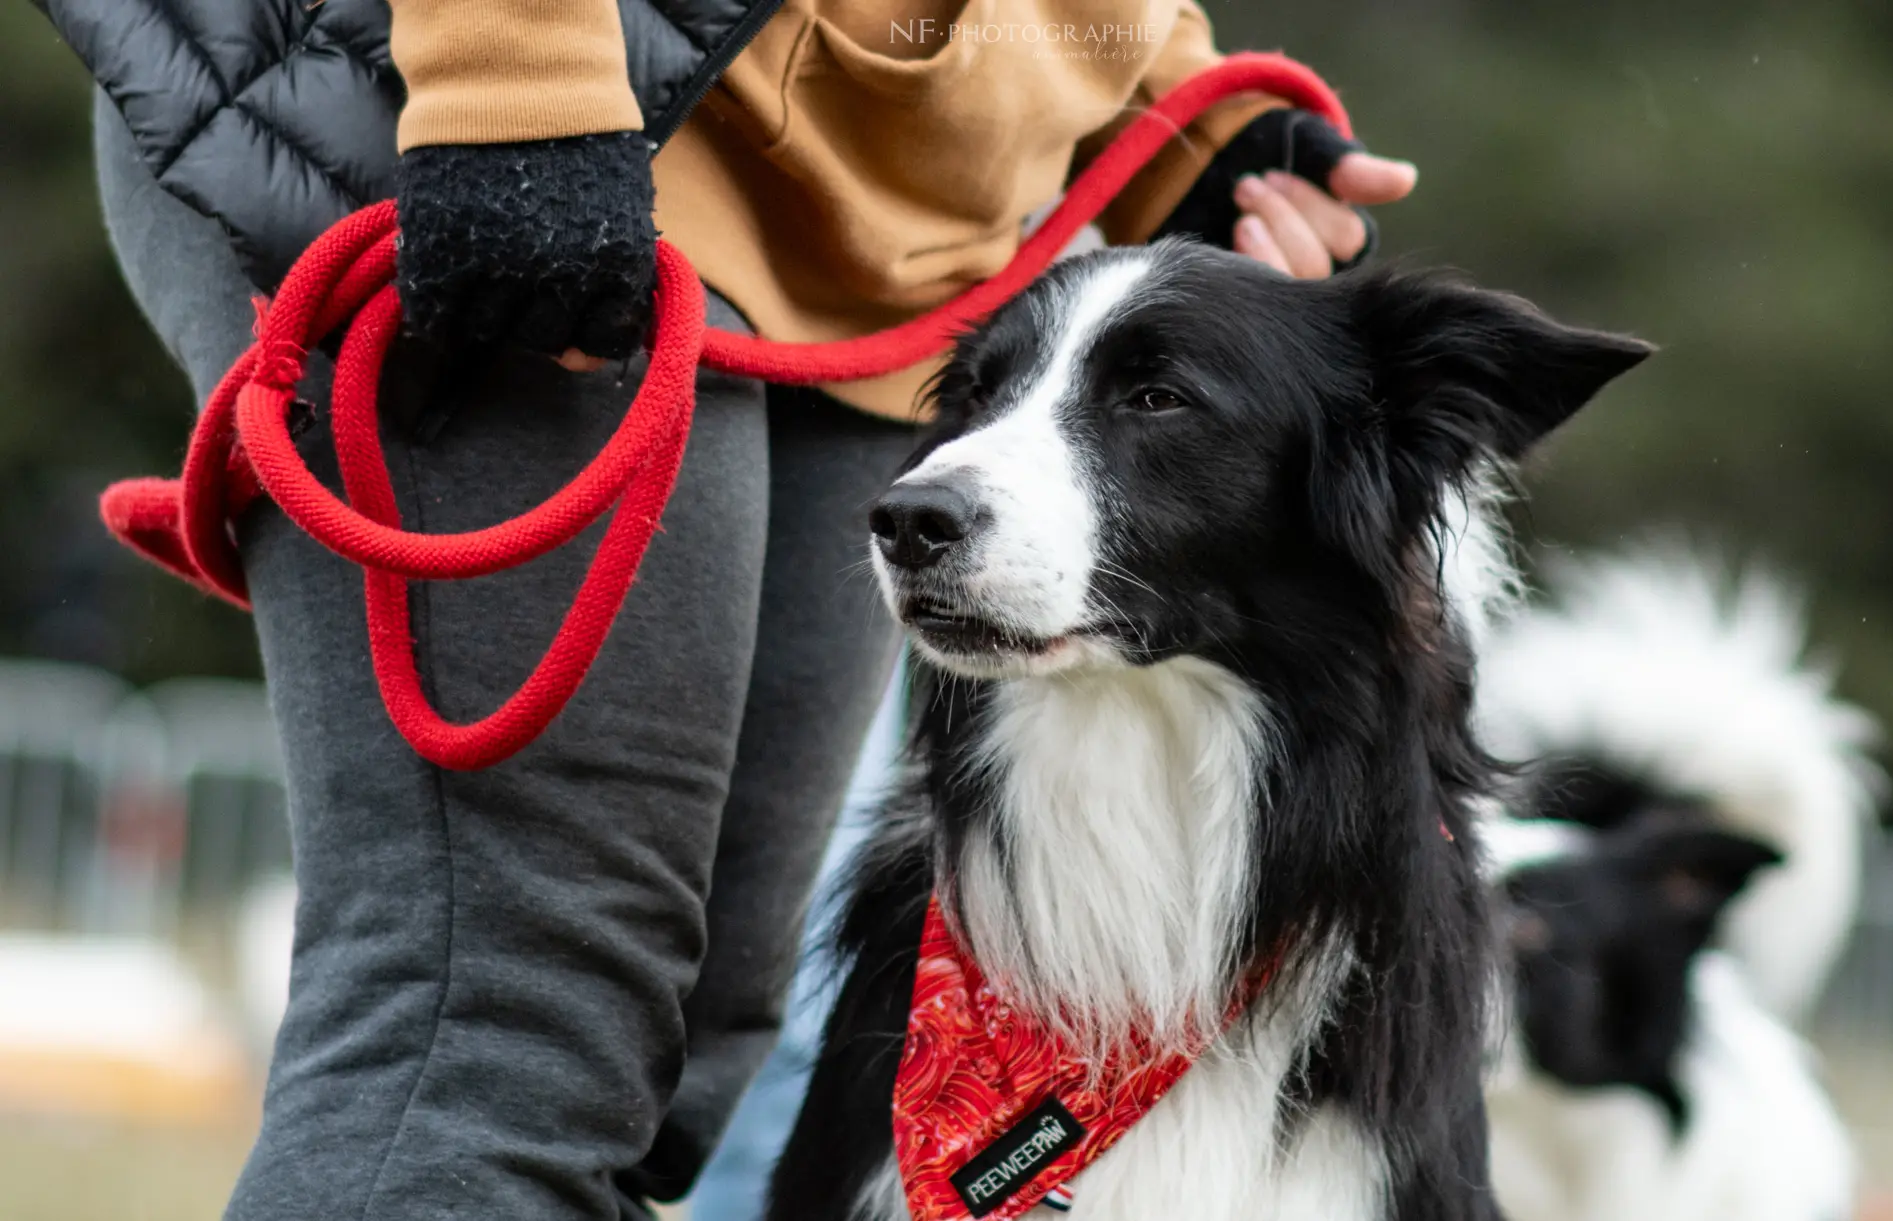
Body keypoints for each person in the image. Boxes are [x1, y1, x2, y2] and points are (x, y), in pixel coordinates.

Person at [38, 0, 1417, 1216]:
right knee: (495, 1048)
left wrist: (1173, 113)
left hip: (869, 224)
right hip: (472, 107)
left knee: (673, 1070)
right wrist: (510, 76)